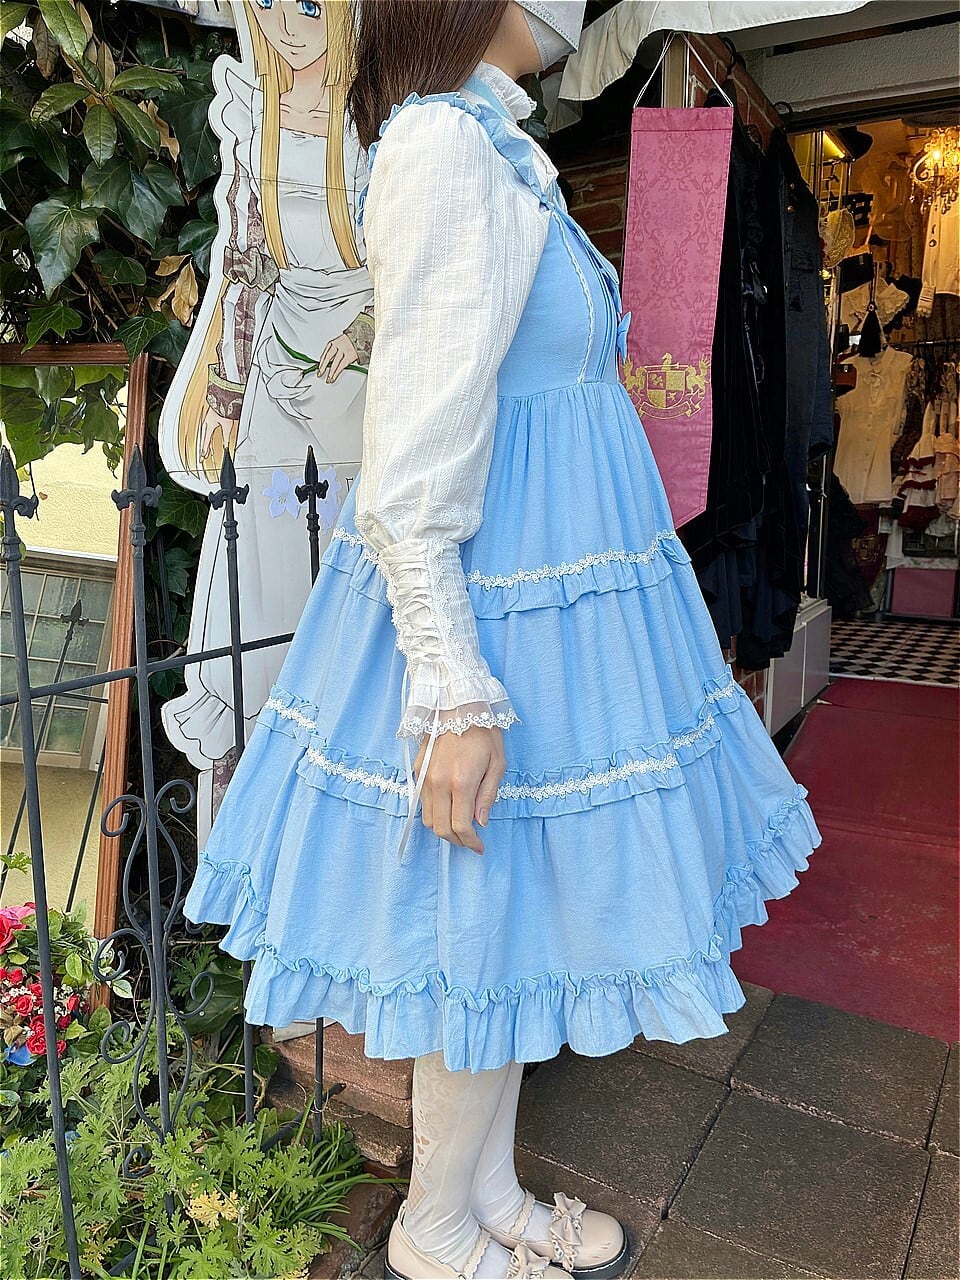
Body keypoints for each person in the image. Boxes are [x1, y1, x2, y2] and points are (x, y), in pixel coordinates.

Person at [183, 3, 823, 1277]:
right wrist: (454, 686)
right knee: (473, 897)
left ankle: (480, 1190)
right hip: (496, 598)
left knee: (504, 903)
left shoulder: (490, 142)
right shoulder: (442, 146)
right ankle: (433, 1225)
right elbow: (415, 444)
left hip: (549, 592)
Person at [158, 0, 374, 841]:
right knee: (259, 555)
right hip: (277, 360)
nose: (288, 24)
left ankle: (342, 797)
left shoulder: (385, 120)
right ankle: (258, 809)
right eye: (271, 1)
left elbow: (413, 259)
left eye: (312, 4)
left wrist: (363, 332)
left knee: (349, 563)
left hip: (362, 366)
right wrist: (224, 386)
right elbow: (242, 264)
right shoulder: (256, 109)